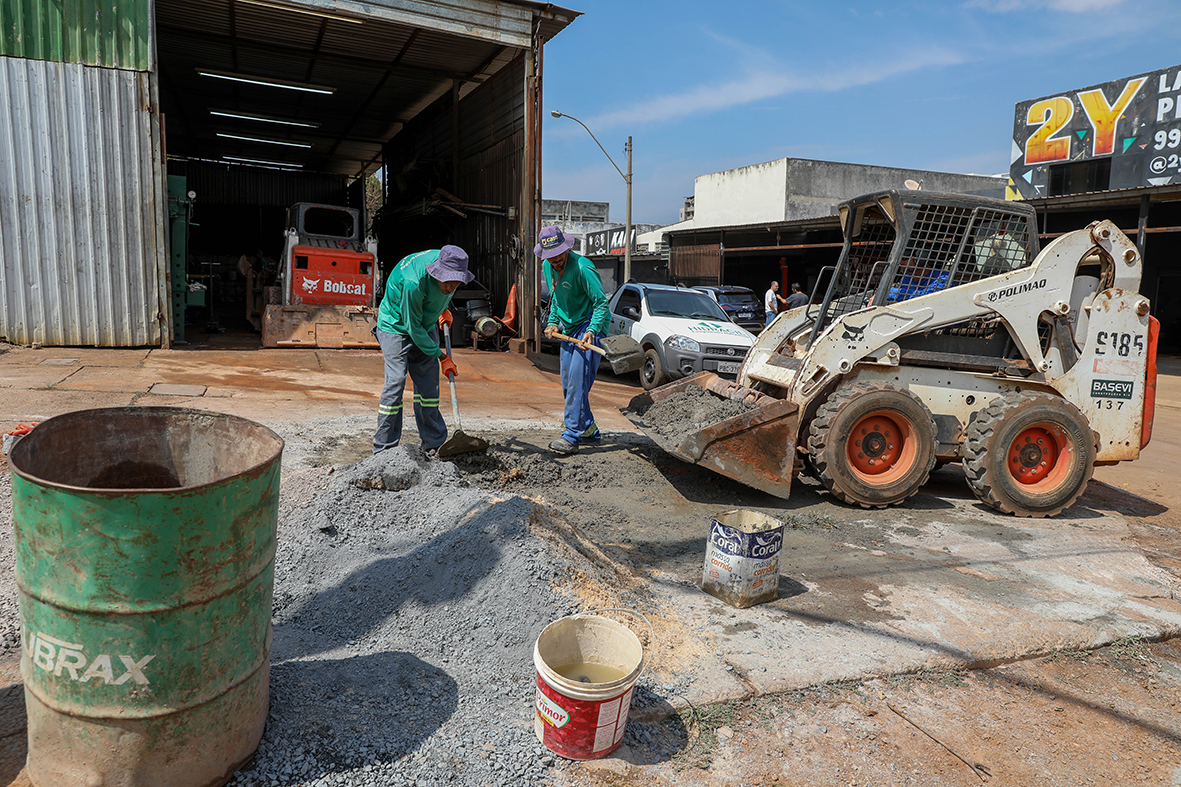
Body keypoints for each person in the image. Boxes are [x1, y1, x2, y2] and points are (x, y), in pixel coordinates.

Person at [372, 245, 473, 454]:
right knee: (396, 382)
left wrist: (442, 308)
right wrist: (441, 356)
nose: (452, 286)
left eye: (457, 281)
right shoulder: (413, 283)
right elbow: (414, 329)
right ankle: (384, 449)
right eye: (448, 280)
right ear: (437, 271)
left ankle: (434, 444)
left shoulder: (450, 259)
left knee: (429, 389)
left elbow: (439, 293)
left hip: (424, 323)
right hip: (396, 326)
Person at [537, 226, 611, 455]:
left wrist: (593, 330)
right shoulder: (546, 266)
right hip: (568, 328)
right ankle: (589, 429)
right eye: (550, 258)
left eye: (559, 256)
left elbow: (601, 303)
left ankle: (571, 436)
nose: (555, 262)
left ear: (567, 248)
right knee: (569, 384)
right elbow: (557, 299)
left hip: (588, 325)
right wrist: (552, 322)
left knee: (577, 384)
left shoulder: (583, 267)